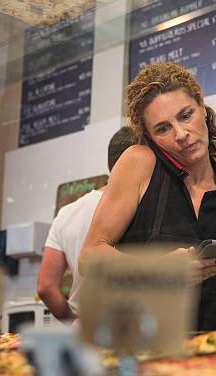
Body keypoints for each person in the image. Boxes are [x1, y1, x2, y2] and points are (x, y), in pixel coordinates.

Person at [79, 63, 216, 331]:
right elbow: (90, 255)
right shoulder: (139, 163)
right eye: (163, 128)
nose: (181, 134)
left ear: (202, 107)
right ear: (151, 137)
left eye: (185, 115)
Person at [37, 126, 138, 320]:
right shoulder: (140, 204)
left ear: (110, 164)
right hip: (127, 328)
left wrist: (73, 322)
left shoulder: (66, 213)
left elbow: (45, 287)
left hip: (84, 329)